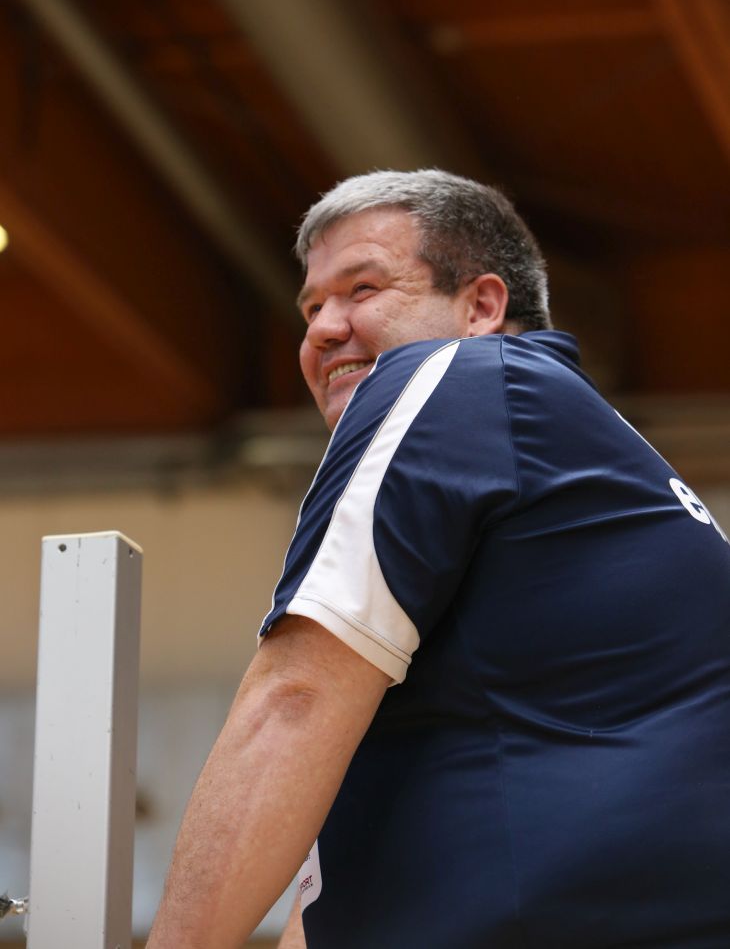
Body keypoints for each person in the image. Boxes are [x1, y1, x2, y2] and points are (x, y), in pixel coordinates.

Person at [148, 170, 730, 949]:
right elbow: (332, 878)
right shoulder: (581, 458)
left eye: (362, 289)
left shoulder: (458, 377)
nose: (323, 330)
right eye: (311, 308)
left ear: (481, 308)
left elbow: (295, 699)